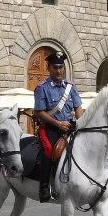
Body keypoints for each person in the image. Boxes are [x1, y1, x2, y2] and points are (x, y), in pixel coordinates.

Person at [34, 51, 83, 203]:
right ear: (49, 68)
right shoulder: (42, 88)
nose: (59, 71)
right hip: (50, 128)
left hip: (69, 126)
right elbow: (39, 112)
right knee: (49, 151)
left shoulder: (71, 87)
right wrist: (57, 123)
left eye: (61, 67)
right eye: (55, 67)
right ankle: (44, 187)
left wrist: (81, 123)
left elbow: (78, 109)